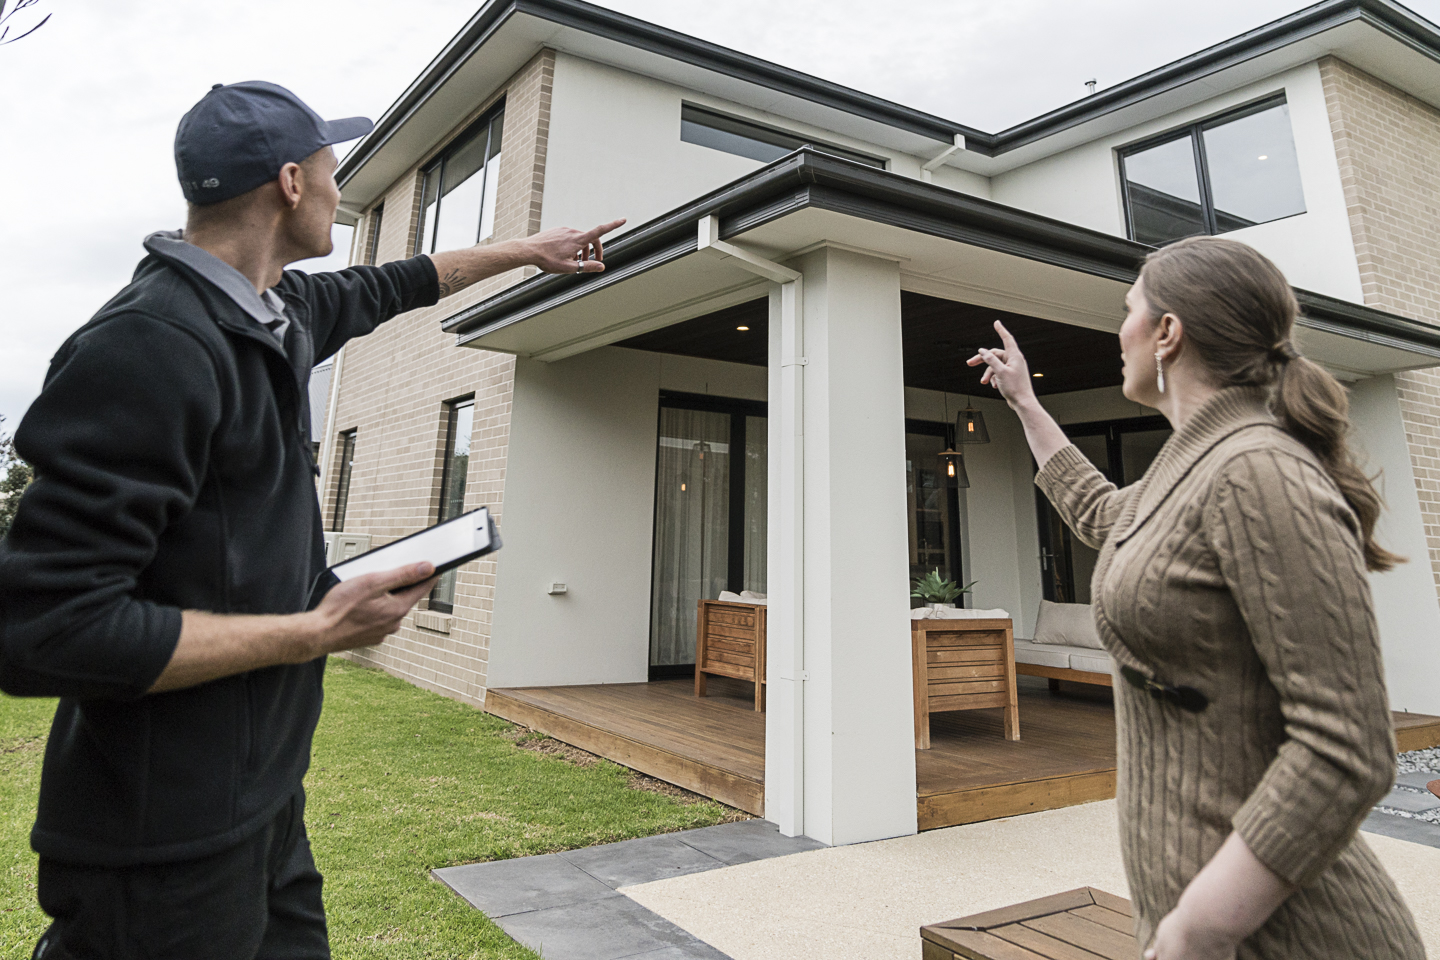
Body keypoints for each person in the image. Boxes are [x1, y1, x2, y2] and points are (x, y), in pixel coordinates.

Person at [0, 80, 624, 960]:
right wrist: (310, 632)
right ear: (291, 183)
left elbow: (402, 280)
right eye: (333, 169)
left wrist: (529, 249)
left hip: (264, 806)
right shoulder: (147, 347)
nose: (340, 188)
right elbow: (44, 629)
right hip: (161, 843)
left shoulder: (278, 313)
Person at [970, 235, 1423, 960]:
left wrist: (1199, 926)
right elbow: (1098, 511)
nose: (1119, 332)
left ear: (1168, 333)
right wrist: (1024, 402)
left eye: (1128, 312)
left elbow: (1347, 747)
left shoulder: (1258, 473)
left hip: (1289, 940)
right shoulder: (1191, 469)